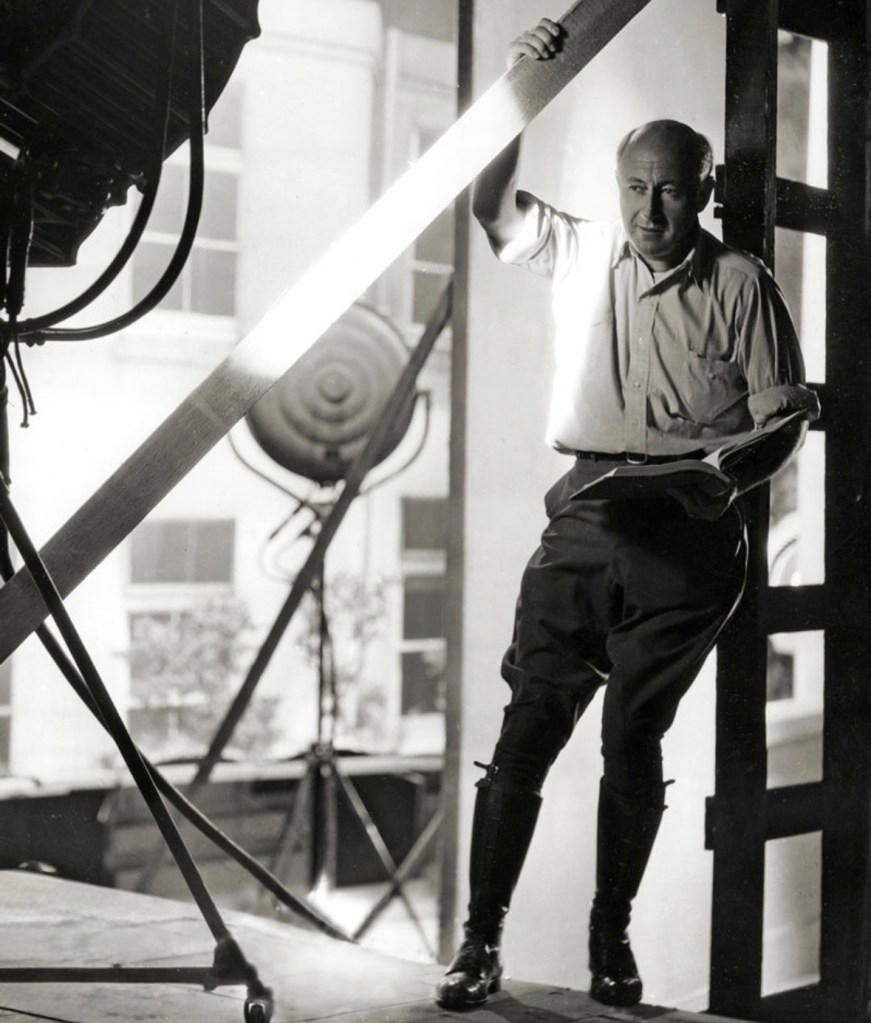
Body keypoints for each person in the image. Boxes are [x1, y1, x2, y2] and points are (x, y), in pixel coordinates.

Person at [435, 17, 821, 1012]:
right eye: (635, 187)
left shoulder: (740, 283)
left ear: (703, 192)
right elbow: (488, 204)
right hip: (589, 511)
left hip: (689, 533)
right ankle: (478, 945)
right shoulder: (582, 249)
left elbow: (783, 421)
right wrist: (518, 84)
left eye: (671, 189)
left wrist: (721, 479)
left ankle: (612, 942)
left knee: (629, 742)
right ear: (618, 190)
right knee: (528, 727)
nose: (651, 209)